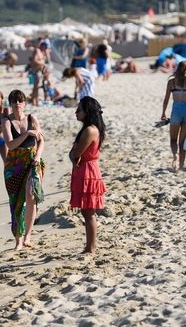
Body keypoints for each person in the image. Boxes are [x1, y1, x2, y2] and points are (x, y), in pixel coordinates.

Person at [1, 90, 44, 250]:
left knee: (31, 195)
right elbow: (10, 145)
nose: (17, 104)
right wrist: (27, 134)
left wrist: (38, 156)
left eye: (20, 101)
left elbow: (41, 140)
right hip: (14, 165)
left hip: (33, 161)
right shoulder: (6, 121)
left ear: (25, 103)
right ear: (10, 104)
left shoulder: (32, 118)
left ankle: (28, 236)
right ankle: (18, 239)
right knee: (16, 201)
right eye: (14, 102)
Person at [69, 96, 107, 254]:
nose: (76, 112)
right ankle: (89, 246)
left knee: (88, 212)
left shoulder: (90, 130)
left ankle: (90, 247)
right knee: (86, 211)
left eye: (79, 109)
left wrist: (72, 154)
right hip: (85, 169)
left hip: (88, 171)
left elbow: (76, 154)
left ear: (87, 111)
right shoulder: (89, 128)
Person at [161, 61, 186, 172]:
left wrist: (163, 113)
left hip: (176, 111)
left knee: (173, 140)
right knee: (183, 142)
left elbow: (166, 98)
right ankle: (181, 166)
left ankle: (175, 156)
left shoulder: (171, 82)